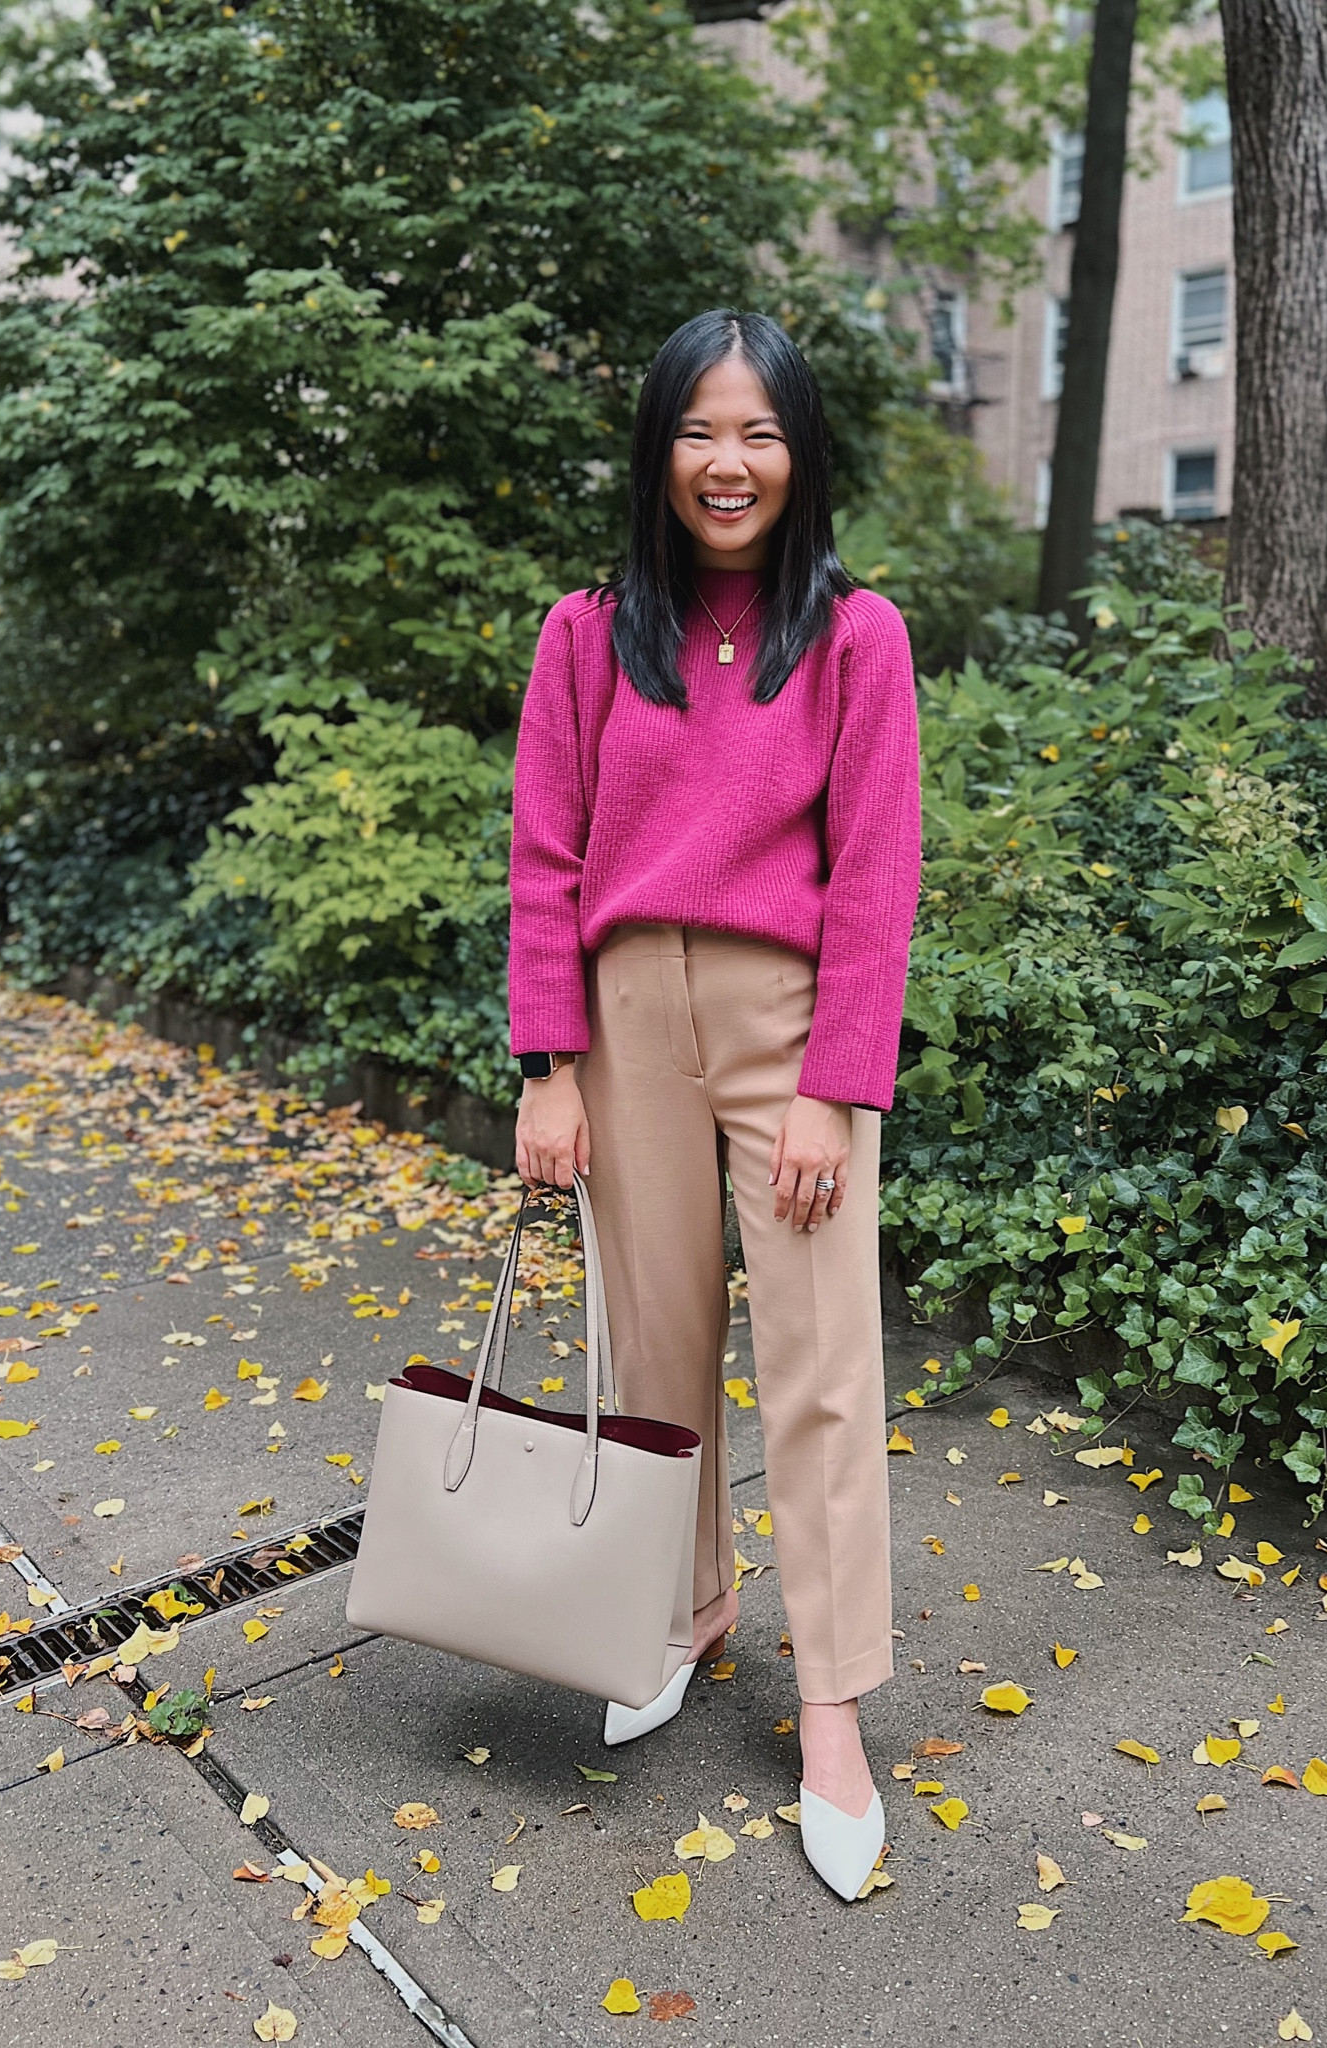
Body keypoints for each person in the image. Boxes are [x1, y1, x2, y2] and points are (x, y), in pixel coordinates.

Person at [506, 308, 921, 1901]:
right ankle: (681, 1616)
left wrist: (833, 1088)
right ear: (657, 450)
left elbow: (874, 875)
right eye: (697, 430)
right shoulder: (587, 632)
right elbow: (544, 858)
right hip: (624, 1027)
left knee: (819, 1370)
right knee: (651, 1354)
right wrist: (550, 1069)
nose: (726, 462)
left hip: (786, 1025)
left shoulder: (856, 637)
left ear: (797, 451)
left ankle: (832, 1708)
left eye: (756, 431)